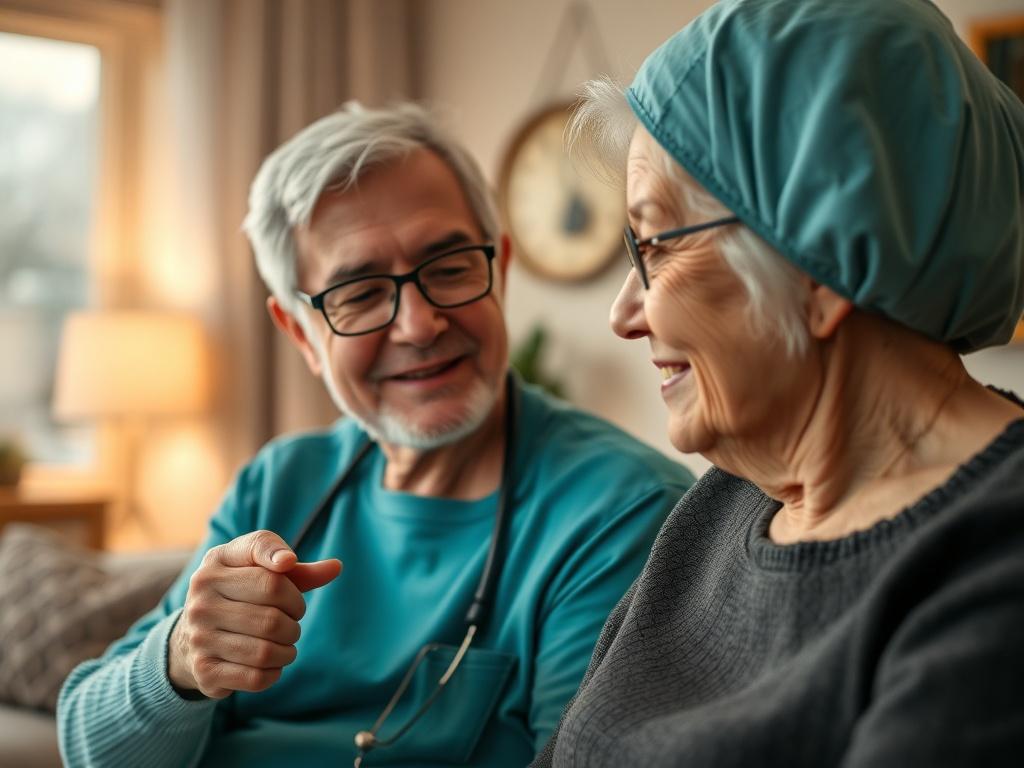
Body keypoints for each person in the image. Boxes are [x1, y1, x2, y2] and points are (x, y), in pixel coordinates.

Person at [57, 102, 694, 767]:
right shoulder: (279, 483)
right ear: (300, 334)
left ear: (499, 269)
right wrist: (178, 662)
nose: (418, 325)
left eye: (449, 268)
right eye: (359, 293)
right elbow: (88, 748)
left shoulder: (621, 510)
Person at [534, 0, 1024, 765]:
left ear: (818, 262)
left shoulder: (994, 563)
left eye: (656, 246)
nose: (623, 315)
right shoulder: (723, 504)